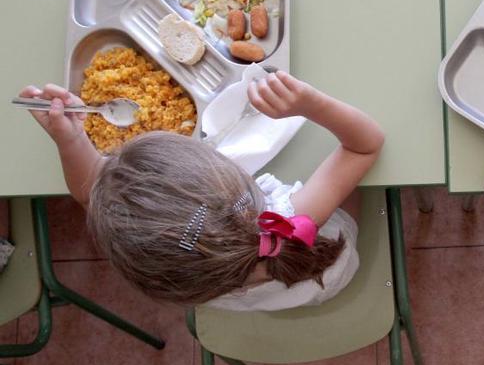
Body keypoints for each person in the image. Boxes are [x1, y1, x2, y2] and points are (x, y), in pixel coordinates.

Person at [19, 70, 384, 310]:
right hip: (330, 271)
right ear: (238, 176)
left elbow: (91, 194)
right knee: (353, 192)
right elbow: (364, 145)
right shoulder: (291, 219)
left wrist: (71, 141)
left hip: (264, 296)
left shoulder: (183, 275)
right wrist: (311, 104)